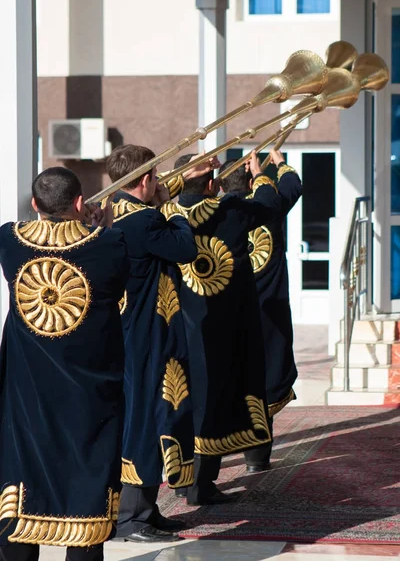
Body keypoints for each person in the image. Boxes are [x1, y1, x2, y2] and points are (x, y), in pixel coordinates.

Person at [0, 167, 129, 561]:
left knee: (22, 488)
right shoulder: (111, 243)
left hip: (27, 394)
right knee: (86, 486)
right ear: (79, 203)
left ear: (35, 204)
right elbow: (117, 288)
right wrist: (101, 227)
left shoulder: (8, 239)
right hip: (89, 394)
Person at [106, 145, 213, 544]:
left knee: (147, 412)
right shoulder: (146, 219)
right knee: (150, 416)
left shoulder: (115, 212)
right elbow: (186, 248)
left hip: (131, 328)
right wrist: (178, 206)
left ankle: (145, 511)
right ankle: (132, 518)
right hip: (149, 332)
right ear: (147, 180)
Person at [167, 150, 280, 506]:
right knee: (213, 402)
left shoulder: (164, 215)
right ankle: (201, 485)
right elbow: (267, 204)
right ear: (212, 184)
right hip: (221, 327)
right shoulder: (229, 210)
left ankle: (184, 480)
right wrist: (260, 173)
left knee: (183, 401)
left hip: (177, 327)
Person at [219, 152, 302, 472]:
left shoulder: (214, 214)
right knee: (264, 385)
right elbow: (293, 185)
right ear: (252, 181)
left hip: (228, 313)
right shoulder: (269, 207)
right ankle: (257, 458)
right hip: (268, 314)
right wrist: (277, 163)